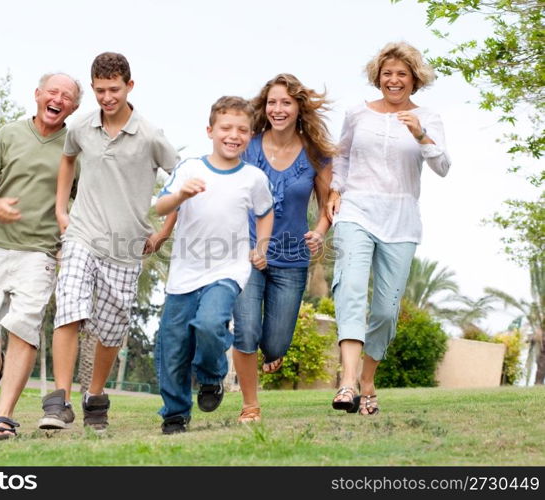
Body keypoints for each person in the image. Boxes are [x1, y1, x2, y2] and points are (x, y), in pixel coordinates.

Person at [38, 52, 179, 433]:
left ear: (129, 87)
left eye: (113, 89)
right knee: (69, 306)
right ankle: (59, 400)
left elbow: (180, 179)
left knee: (112, 329)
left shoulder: (150, 135)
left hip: (126, 247)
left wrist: (163, 231)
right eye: (100, 90)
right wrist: (61, 210)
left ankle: (94, 397)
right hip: (82, 234)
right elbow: (67, 160)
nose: (106, 97)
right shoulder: (81, 127)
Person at [328, 42, 451, 415]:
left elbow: (443, 166)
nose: (393, 80)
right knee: (349, 288)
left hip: (400, 221)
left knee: (384, 309)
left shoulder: (429, 116)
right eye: (387, 74)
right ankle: (347, 384)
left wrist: (420, 135)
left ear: (414, 79)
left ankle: (367, 379)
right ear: (377, 77)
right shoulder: (357, 114)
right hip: (356, 212)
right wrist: (335, 189)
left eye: (401, 74)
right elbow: (342, 154)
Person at [0, 72, 81, 440]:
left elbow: (83, 199)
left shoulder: (75, 149)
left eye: (67, 96)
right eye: (53, 91)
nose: (58, 98)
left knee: (24, 327)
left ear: (75, 107)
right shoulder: (9, 134)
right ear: (37, 95)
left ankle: (4, 417)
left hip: (40, 252)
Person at [154, 96, 274, 435]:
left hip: (228, 270)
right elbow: (161, 207)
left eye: (242, 130)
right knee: (174, 345)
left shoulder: (253, 177)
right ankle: (175, 413)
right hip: (184, 274)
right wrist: (180, 196)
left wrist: (261, 246)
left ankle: (210, 377)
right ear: (210, 130)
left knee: (210, 324)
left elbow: (266, 213)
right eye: (226, 128)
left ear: (250, 135)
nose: (233, 135)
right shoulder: (191, 168)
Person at [232, 74, 335, 424]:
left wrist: (319, 233)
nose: (278, 109)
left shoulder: (315, 153)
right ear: (265, 106)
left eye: (286, 103)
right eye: (272, 102)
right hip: (247, 254)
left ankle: (269, 353)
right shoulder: (249, 146)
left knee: (275, 344)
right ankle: (250, 405)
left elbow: (327, 207)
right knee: (245, 330)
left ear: (298, 108)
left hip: (291, 259)